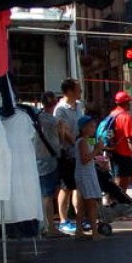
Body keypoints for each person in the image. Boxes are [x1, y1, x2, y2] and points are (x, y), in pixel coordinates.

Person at [53, 78, 84, 233]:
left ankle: (79, 219)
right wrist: (77, 144)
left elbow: (83, 126)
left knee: (78, 186)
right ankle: (64, 220)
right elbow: (63, 131)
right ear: (70, 91)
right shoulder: (60, 109)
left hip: (79, 152)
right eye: (78, 89)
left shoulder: (79, 105)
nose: (81, 91)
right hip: (67, 154)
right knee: (66, 187)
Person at [32, 92, 63, 237]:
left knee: (44, 194)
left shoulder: (35, 119)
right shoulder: (55, 121)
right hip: (50, 161)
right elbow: (62, 139)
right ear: (55, 103)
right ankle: (49, 227)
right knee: (48, 196)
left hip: (38, 160)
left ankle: (44, 225)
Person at [73, 114, 103, 241]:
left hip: (87, 173)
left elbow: (97, 146)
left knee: (82, 204)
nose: (93, 129)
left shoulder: (87, 140)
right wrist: (97, 150)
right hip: (85, 175)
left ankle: (78, 230)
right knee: (91, 204)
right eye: (91, 126)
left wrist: (100, 146)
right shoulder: (83, 141)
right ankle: (94, 232)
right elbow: (85, 159)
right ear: (83, 128)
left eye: (94, 127)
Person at [106, 91, 132, 194]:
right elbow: (131, 138)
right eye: (129, 102)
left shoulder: (112, 114)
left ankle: (115, 199)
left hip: (113, 151)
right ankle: (118, 201)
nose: (130, 104)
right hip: (124, 153)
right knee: (123, 181)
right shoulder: (125, 116)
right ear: (126, 102)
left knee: (117, 178)